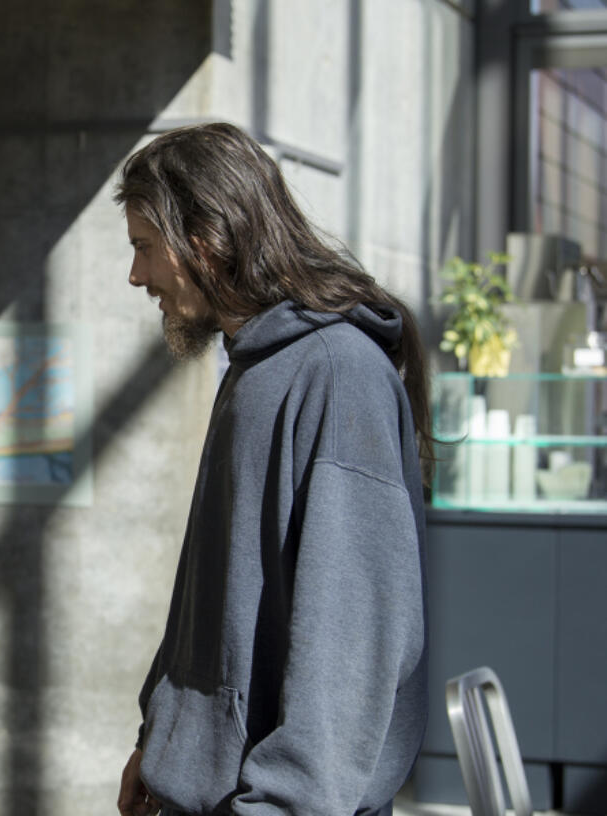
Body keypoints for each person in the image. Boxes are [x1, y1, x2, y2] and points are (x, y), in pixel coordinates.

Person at [114, 123, 431, 816]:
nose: (137, 276)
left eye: (144, 247)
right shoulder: (255, 367)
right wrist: (161, 737)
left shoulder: (336, 376)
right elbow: (218, 598)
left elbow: (351, 649)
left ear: (205, 238)